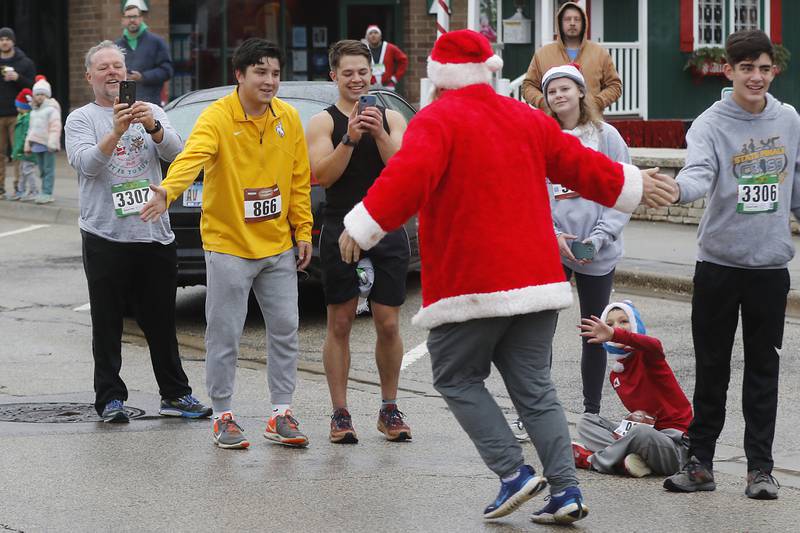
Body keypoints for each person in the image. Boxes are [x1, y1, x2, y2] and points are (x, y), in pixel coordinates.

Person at [336, 29, 677, 524]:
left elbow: (407, 178)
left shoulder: (438, 120)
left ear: (439, 78)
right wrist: (633, 182)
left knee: (454, 377)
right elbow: (579, 164)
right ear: (489, 72)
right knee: (535, 391)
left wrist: (361, 227)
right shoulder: (525, 118)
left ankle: (513, 473)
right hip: (536, 281)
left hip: (471, 283)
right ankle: (565, 490)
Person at [140, 38, 314, 451]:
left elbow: (298, 180)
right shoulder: (217, 117)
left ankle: (281, 412)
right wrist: (167, 190)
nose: (270, 81)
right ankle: (223, 416)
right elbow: (192, 156)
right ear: (240, 75)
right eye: (261, 72)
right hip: (229, 245)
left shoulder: (287, 118)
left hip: (276, 247)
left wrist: (302, 231)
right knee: (225, 334)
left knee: (286, 330)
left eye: (275, 73)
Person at [663, 29, 798, 500]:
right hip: (719, 265)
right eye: (746, 68)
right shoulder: (709, 123)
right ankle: (700, 463)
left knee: (764, 371)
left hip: (768, 268)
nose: (756, 77)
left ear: (773, 71)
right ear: (729, 71)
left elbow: (795, 184)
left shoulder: (790, 120)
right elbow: (699, 172)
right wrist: (679, 188)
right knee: (712, 367)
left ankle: (759, 469)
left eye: (764, 68)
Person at [64, 40, 211, 423]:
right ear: (89, 76)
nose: (113, 73)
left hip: (153, 234)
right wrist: (115, 131)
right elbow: (87, 165)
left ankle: (175, 395)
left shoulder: (153, 110)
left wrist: (154, 127)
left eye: (118, 67)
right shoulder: (81, 118)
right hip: (105, 235)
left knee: (162, 321)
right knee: (108, 321)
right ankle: (111, 399)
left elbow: (177, 154)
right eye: (104, 68)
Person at [509, 63, 632, 442]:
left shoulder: (606, 136)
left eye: (566, 88)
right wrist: (552, 234)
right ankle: (532, 414)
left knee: (593, 332)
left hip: (598, 249)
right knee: (537, 334)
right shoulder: (541, 137)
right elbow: (529, 193)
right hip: (552, 250)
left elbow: (624, 190)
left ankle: (592, 415)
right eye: (552, 91)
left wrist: (598, 237)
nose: (559, 95)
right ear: (545, 99)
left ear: (581, 92)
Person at [306, 39, 410, 444]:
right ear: (334, 76)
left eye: (362, 72)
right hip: (340, 226)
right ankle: (340, 412)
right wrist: (349, 138)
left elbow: (403, 169)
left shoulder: (392, 117)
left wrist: (379, 134)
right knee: (341, 321)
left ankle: (389, 407)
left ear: (373, 74)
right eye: (347, 72)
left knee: (387, 322)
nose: (355, 79)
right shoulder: (323, 122)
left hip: (385, 227)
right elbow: (324, 175)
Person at [572, 300, 692, 478]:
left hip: (676, 447)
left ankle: (593, 461)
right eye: (610, 323)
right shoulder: (616, 375)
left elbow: (655, 344)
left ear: (636, 325)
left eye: (624, 321)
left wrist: (615, 334)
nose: (617, 327)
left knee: (641, 432)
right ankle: (624, 462)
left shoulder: (648, 356)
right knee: (587, 421)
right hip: (643, 441)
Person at [521, 2, 621, 111]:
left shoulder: (600, 53)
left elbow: (614, 86)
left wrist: (597, 102)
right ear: (560, 23)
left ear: (584, 23)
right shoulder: (543, 54)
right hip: (553, 122)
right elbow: (528, 86)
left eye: (577, 19)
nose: (572, 23)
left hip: (591, 121)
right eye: (567, 19)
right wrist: (543, 102)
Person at [0, 27, 36, 198]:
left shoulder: (25, 63)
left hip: (18, 116)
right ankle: (0, 188)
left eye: (7, 39)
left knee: (17, 153)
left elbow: (34, 88)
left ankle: (18, 188)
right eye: (1, 39)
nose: (4, 42)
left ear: (13, 41)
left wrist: (18, 78)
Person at [115, 2, 173, 106]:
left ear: (141, 18)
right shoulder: (116, 46)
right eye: (128, 17)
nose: (132, 20)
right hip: (125, 105)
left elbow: (167, 70)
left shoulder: (156, 42)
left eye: (135, 16)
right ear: (123, 20)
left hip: (151, 104)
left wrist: (143, 77)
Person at [24, 76, 60, 204]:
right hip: (36, 145)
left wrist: (52, 142)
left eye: (42, 94)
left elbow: (55, 127)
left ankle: (47, 192)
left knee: (48, 169)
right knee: (42, 170)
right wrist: (27, 145)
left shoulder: (51, 110)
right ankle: (43, 191)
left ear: (47, 95)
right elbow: (31, 129)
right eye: (37, 94)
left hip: (48, 145)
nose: (39, 96)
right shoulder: (34, 112)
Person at [8, 88, 37, 201]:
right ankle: (21, 190)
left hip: (27, 150)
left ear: (25, 107)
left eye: (19, 106)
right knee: (22, 171)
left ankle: (34, 191)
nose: (17, 108)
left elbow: (24, 137)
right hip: (22, 150)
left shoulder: (27, 119)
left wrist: (17, 150)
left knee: (28, 171)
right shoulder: (22, 117)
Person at [363, 25, 408, 92]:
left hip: (388, 86)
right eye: (370, 33)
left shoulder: (390, 48)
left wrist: (395, 78)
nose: (373, 35)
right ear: (367, 37)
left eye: (376, 33)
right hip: (370, 87)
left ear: (380, 36)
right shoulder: (363, 49)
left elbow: (403, 60)